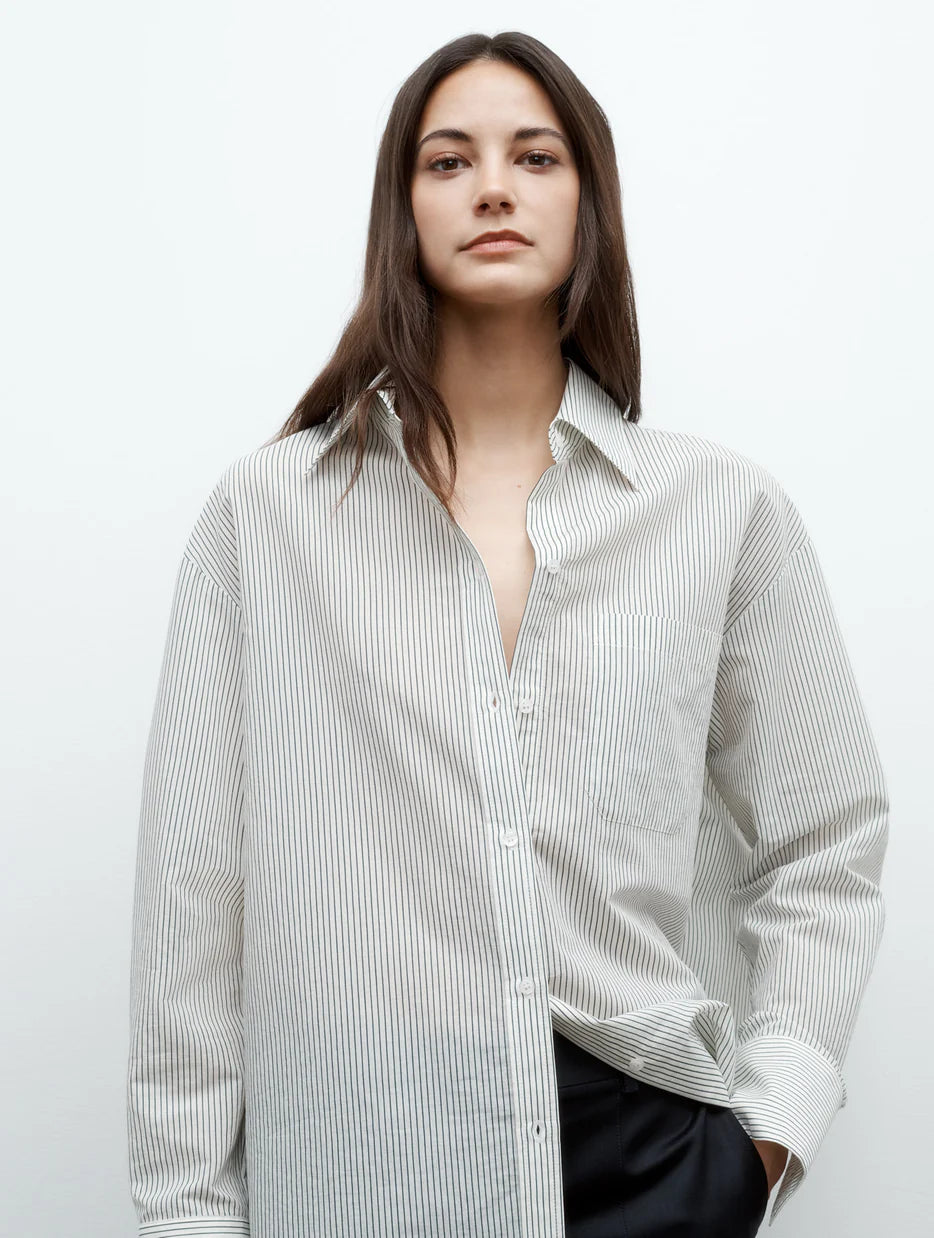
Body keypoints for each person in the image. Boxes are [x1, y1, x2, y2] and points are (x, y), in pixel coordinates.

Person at [127, 31, 889, 1238]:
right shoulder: (266, 517)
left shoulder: (719, 511)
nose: (492, 185)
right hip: (365, 1160)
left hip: (650, 1158)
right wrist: (185, 1210)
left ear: (588, 201)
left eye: (534, 155)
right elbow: (192, 898)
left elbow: (825, 842)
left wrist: (764, 1143)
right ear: (403, 208)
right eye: (448, 160)